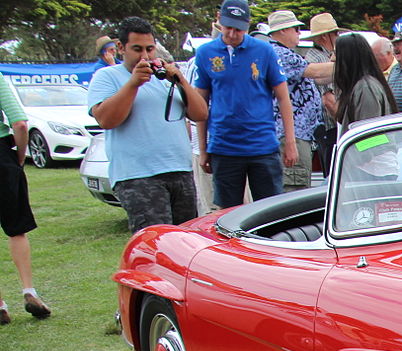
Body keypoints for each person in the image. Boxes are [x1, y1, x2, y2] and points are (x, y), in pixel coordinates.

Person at [87, 17, 209, 232]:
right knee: (155, 241)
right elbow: (106, 119)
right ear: (121, 48)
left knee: (186, 241)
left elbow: (200, 113)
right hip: (138, 176)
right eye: (137, 49)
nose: (145, 56)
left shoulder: (164, 78)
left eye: (150, 49)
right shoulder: (107, 76)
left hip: (179, 171)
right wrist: (133, 84)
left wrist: (180, 80)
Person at [194, 0, 296, 209]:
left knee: (270, 210)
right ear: (219, 21)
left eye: (238, 29)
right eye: (228, 27)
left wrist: (290, 142)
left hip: (262, 146)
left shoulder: (264, 51)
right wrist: (203, 149)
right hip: (224, 147)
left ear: (247, 26)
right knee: (228, 213)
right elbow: (200, 104)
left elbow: (283, 97)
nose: (232, 34)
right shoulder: (205, 53)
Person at [0, 74, 51, 324]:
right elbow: (20, 124)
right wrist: (20, 157)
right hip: (3, 158)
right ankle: (29, 291)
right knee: (17, 230)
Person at [265, 10, 331, 192]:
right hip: (292, 135)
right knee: (295, 188)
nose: (299, 33)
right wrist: (350, 62)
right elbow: (314, 72)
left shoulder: (284, 52)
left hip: (298, 134)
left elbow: (318, 78)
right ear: (283, 30)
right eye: (296, 29)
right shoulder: (279, 53)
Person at [333, 33, 397, 179]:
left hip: (372, 170)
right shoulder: (359, 86)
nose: (332, 59)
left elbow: (369, 136)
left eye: (336, 54)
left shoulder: (366, 88)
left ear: (348, 58)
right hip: (365, 167)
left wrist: (348, 163)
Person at [305, 13, 340, 175]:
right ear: (326, 36)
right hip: (331, 128)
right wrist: (346, 126)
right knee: (335, 173)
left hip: (329, 128)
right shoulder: (319, 60)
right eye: (336, 33)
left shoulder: (320, 56)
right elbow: (328, 100)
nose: (338, 36)